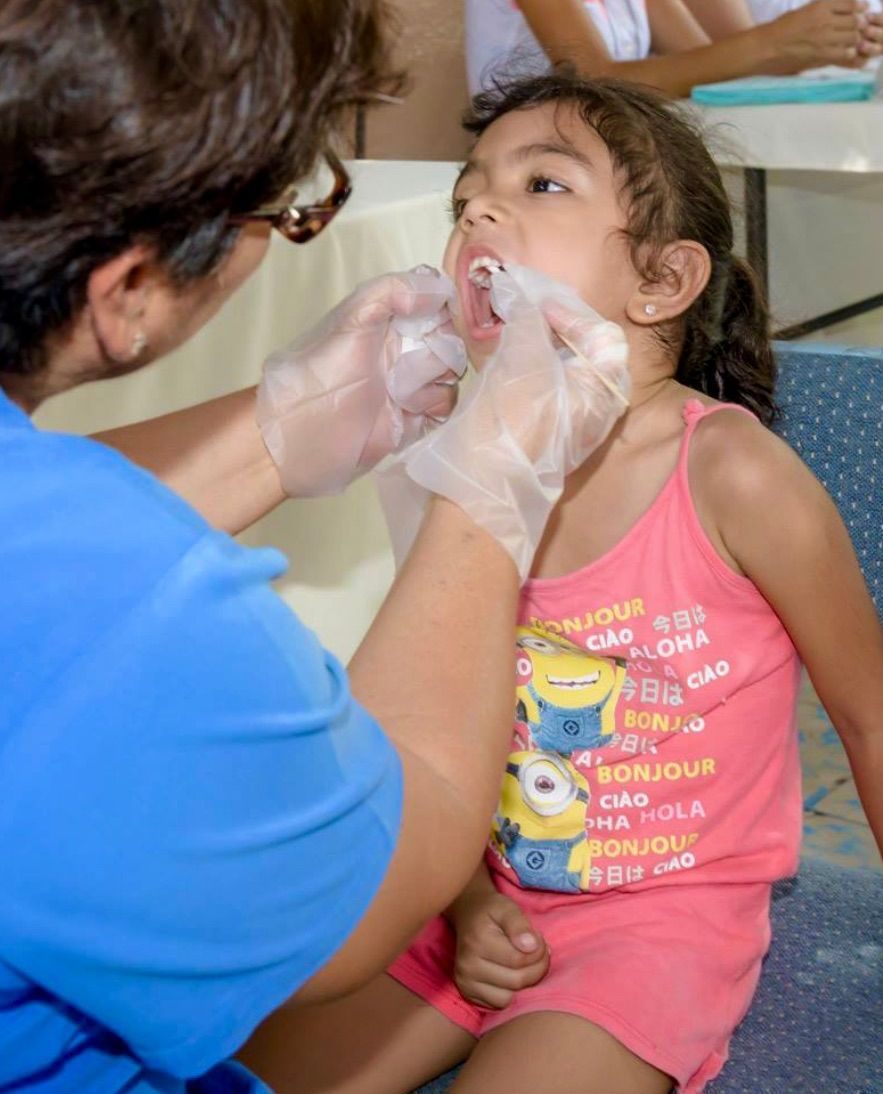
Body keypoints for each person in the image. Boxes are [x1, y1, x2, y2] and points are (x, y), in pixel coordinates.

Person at [242, 72, 883, 1094]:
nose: (479, 208)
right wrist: (457, 898)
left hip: (658, 922)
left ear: (661, 282)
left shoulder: (735, 477)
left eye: (541, 185)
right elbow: (433, 716)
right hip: (477, 893)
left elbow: (874, 717)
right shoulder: (458, 457)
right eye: (466, 196)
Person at [0, 4, 629, 1091]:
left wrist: (272, 431)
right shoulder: (130, 611)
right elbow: (379, 877)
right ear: (129, 289)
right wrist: (485, 497)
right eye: (284, 208)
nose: (480, 213)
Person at [465, 0, 883, 98]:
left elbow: (707, 66)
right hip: (522, 172)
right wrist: (775, 40)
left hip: (589, 156)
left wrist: (813, 49)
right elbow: (592, 79)